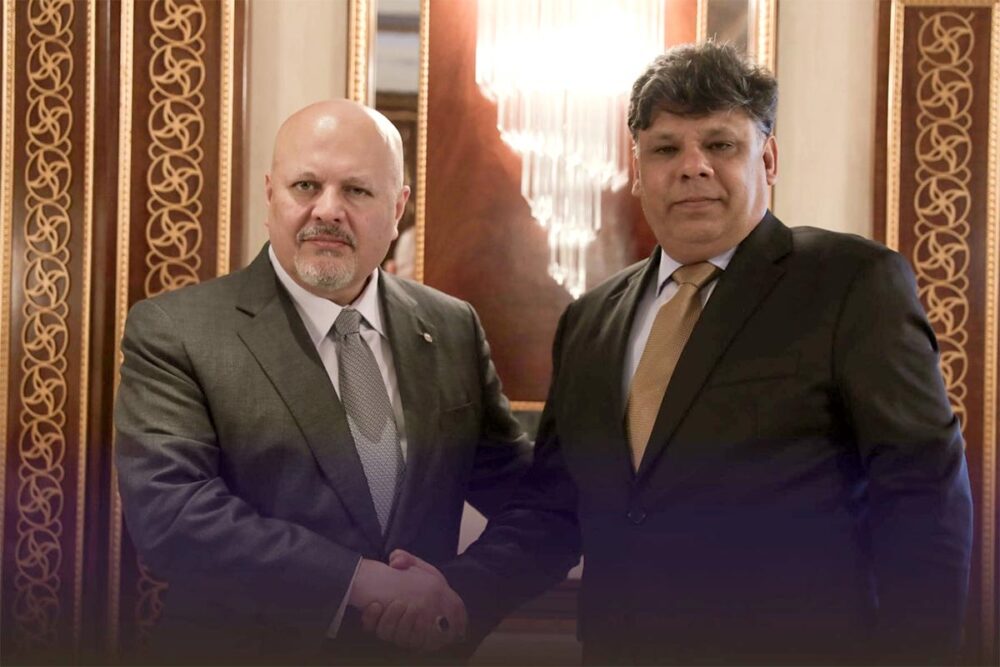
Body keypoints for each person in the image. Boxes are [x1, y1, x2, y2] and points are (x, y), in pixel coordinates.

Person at [385, 42, 974, 665]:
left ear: (767, 159)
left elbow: (923, 495)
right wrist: (455, 594)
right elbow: (553, 509)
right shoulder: (591, 320)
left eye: (720, 144)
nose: (692, 166)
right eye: (666, 148)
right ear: (637, 170)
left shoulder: (851, 282)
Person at [114, 100, 575, 664]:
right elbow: (173, 516)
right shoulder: (177, 331)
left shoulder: (451, 327)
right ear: (270, 195)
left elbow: (535, 504)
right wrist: (361, 583)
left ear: (399, 206)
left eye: (357, 191)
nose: (327, 210)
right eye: (306, 185)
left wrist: (461, 594)